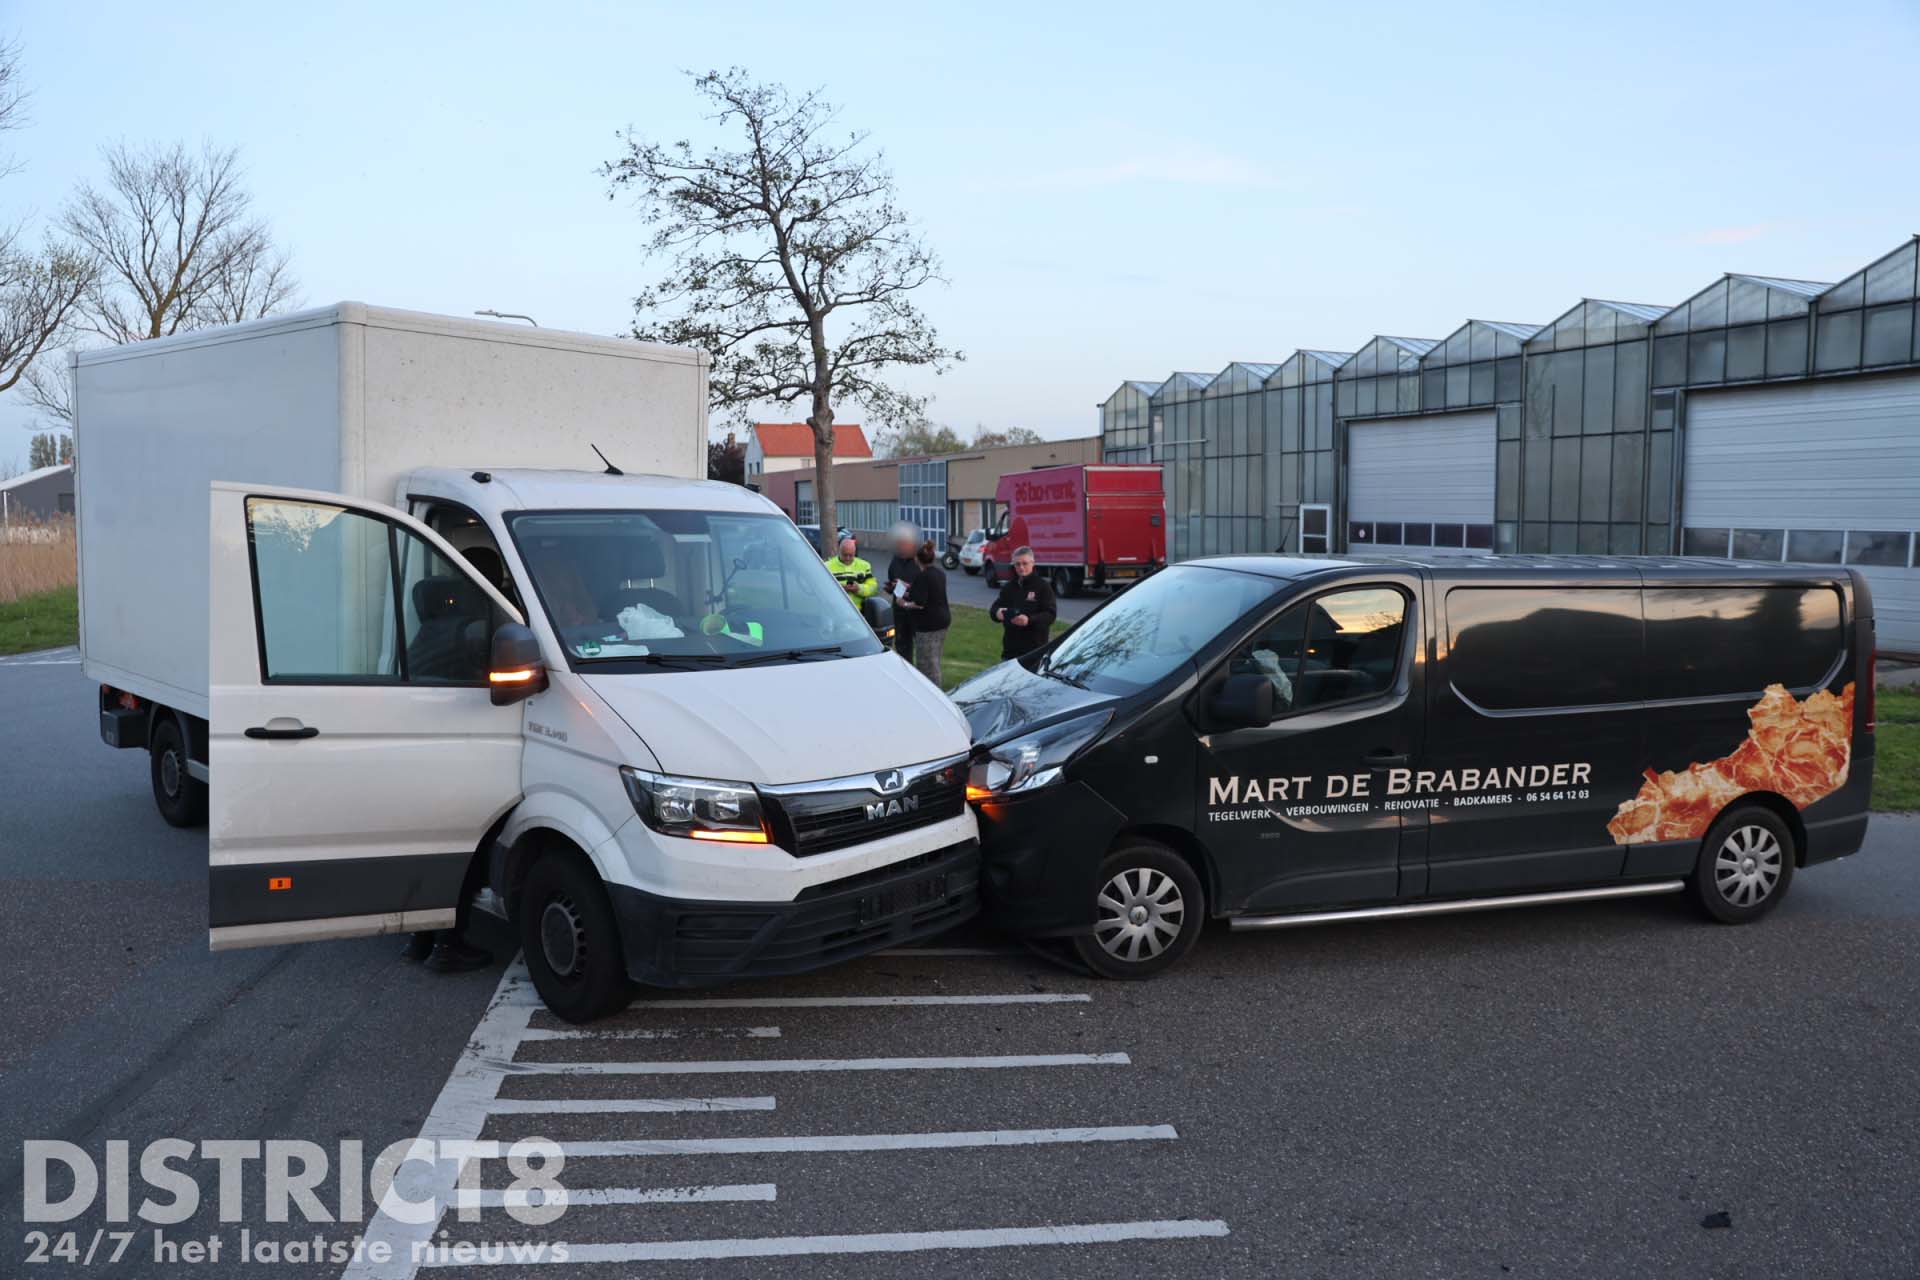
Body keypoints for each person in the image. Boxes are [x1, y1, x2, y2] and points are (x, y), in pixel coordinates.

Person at [991, 545, 1057, 660]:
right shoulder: (1009, 587)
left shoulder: (1043, 586)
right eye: (1017, 564)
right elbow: (994, 609)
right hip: (1010, 652)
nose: (1021, 568)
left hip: (1035, 652)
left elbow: (1050, 615)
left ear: (1032, 563)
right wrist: (998, 613)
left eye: (1025, 563)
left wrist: (1029, 620)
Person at [902, 539, 951, 686]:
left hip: (928, 625)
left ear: (917, 559)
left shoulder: (923, 576)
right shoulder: (939, 573)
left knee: (927, 665)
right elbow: (927, 592)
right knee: (935, 659)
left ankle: (934, 693)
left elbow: (919, 603)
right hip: (942, 622)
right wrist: (910, 587)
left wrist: (904, 603)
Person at [883, 523, 921, 660]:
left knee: (921, 645)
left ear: (912, 544)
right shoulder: (895, 560)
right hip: (899, 611)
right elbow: (892, 579)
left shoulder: (919, 561)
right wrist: (891, 588)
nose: (901, 547)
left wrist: (908, 587)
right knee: (902, 644)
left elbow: (926, 586)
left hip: (917, 610)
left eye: (904, 544)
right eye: (899, 544)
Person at [824, 536, 876, 600]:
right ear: (839, 552)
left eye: (851, 555)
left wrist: (859, 589)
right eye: (845, 555)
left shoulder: (865, 566)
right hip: (835, 608)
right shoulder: (827, 566)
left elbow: (873, 588)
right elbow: (822, 588)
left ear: (855, 553)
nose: (848, 558)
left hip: (857, 609)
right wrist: (839, 589)